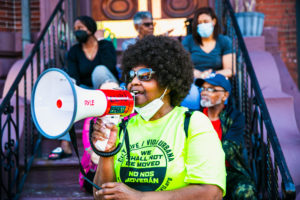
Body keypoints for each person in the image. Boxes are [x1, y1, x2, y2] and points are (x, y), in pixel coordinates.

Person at [92, 35, 226, 200]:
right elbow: (101, 195)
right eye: (131, 75)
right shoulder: (122, 126)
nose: (133, 82)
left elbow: (211, 193)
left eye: (144, 75)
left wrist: (140, 197)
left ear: (168, 83)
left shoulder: (193, 123)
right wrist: (107, 152)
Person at [48, 16, 119, 160]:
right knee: (68, 92)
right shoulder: (74, 51)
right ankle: (65, 144)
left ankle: (113, 120)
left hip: (106, 87)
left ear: (90, 29)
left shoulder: (105, 46)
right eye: (75, 29)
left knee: (99, 70)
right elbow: (74, 76)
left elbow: (109, 67)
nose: (77, 32)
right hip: (86, 91)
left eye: (80, 28)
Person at [196, 73, 257, 200]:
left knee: (245, 190)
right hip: (199, 173)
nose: (204, 92)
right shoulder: (194, 116)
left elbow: (230, 147)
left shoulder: (234, 117)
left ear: (225, 95)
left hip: (227, 171)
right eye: (203, 88)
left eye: (211, 89)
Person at [181, 7, 235, 110]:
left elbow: (230, 70)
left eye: (205, 21)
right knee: (191, 97)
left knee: (217, 93)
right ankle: (191, 121)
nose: (202, 25)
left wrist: (212, 74)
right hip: (194, 79)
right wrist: (200, 74)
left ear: (213, 21)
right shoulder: (188, 41)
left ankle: (217, 124)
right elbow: (183, 67)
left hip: (216, 79)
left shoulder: (224, 41)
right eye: (199, 23)